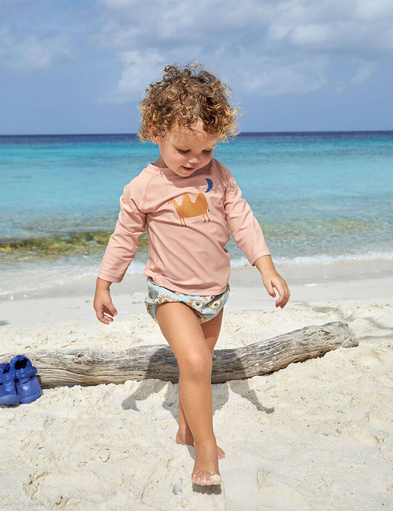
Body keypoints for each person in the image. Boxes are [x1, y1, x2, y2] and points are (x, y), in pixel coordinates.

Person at [93, 63, 290, 486]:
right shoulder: (143, 187)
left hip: (214, 294)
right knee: (197, 362)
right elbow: (123, 238)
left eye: (207, 151)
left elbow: (243, 221)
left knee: (196, 368)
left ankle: (185, 427)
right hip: (170, 293)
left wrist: (266, 266)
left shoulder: (220, 176)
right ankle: (205, 446)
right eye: (184, 150)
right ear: (155, 132)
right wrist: (104, 284)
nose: (195, 161)